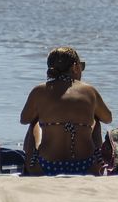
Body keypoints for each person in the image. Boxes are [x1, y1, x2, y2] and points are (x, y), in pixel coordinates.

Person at [20, 47, 112, 176]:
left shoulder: (39, 91)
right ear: (75, 67)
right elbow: (108, 118)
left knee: (34, 122)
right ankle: (99, 162)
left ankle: (30, 164)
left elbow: (24, 119)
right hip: (86, 165)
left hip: (47, 166)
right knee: (96, 120)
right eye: (81, 66)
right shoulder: (89, 91)